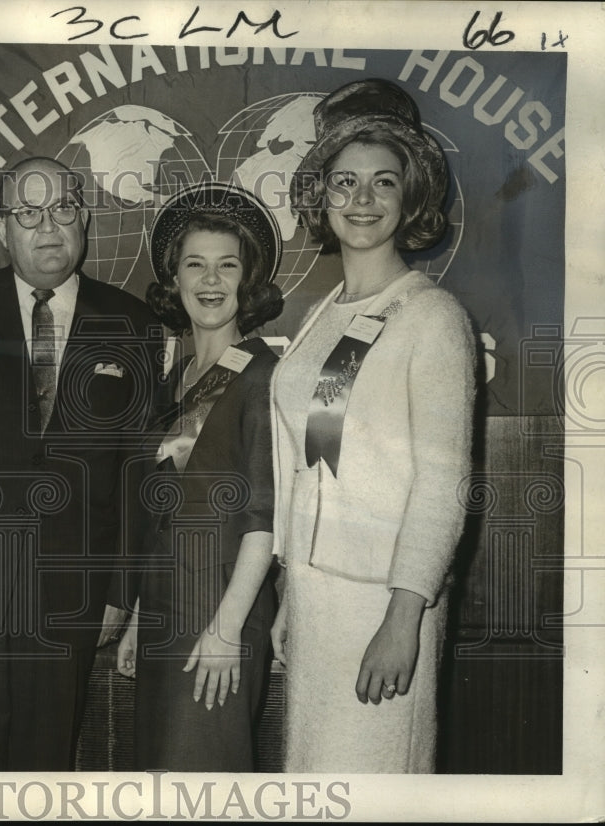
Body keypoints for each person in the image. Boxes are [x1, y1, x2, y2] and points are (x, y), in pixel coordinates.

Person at [0, 156, 163, 771]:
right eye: (28, 212)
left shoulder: (132, 321)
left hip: (70, 589)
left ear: (86, 219)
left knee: (45, 766)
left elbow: (138, 471)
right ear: (1, 227)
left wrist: (118, 591)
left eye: (63, 209)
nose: (48, 226)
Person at [270, 78, 476, 772]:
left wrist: (403, 618)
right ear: (321, 195)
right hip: (315, 597)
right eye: (346, 181)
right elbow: (314, 461)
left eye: (383, 183)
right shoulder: (322, 313)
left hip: (382, 604)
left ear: (409, 197)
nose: (362, 200)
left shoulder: (433, 318)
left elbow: (443, 486)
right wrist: (286, 596)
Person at [116, 182, 284, 771]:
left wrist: (228, 628)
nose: (210, 281)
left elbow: (265, 518)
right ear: (174, 279)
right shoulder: (179, 376)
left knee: (205, 779)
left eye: (227, 266)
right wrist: (138, 616)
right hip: (164, 608)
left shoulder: (263, 374)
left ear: (249, 280)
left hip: (221, 608)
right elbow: (161, 511)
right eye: (195, 265)